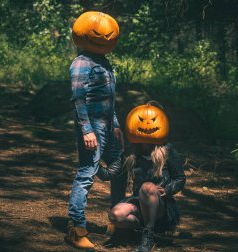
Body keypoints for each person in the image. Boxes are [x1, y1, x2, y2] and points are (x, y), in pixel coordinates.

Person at [66, 11, 126, 249]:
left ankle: (118, 220)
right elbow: (79, 100)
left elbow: (108, 100)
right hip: (92, 127)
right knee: (86, 174)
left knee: (119, 170)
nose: (105, 34)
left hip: (109, 126)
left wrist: (117, 126)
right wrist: (86, 130)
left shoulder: (104, 62)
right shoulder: (82, 63)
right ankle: (76, 228)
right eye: (98, 32)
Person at [97, 101, 187, 252]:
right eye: (140, 120)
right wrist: (93, 164)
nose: (146, 123)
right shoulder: (130, 153)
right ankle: (138, 231)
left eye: (152, 120)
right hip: (140, 203)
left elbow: (180, 178)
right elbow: (110, 174)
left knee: (147, 187)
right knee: (116, 215)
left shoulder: (167, 150)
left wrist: (168, 189)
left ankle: (148, 235)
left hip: (161, 207)